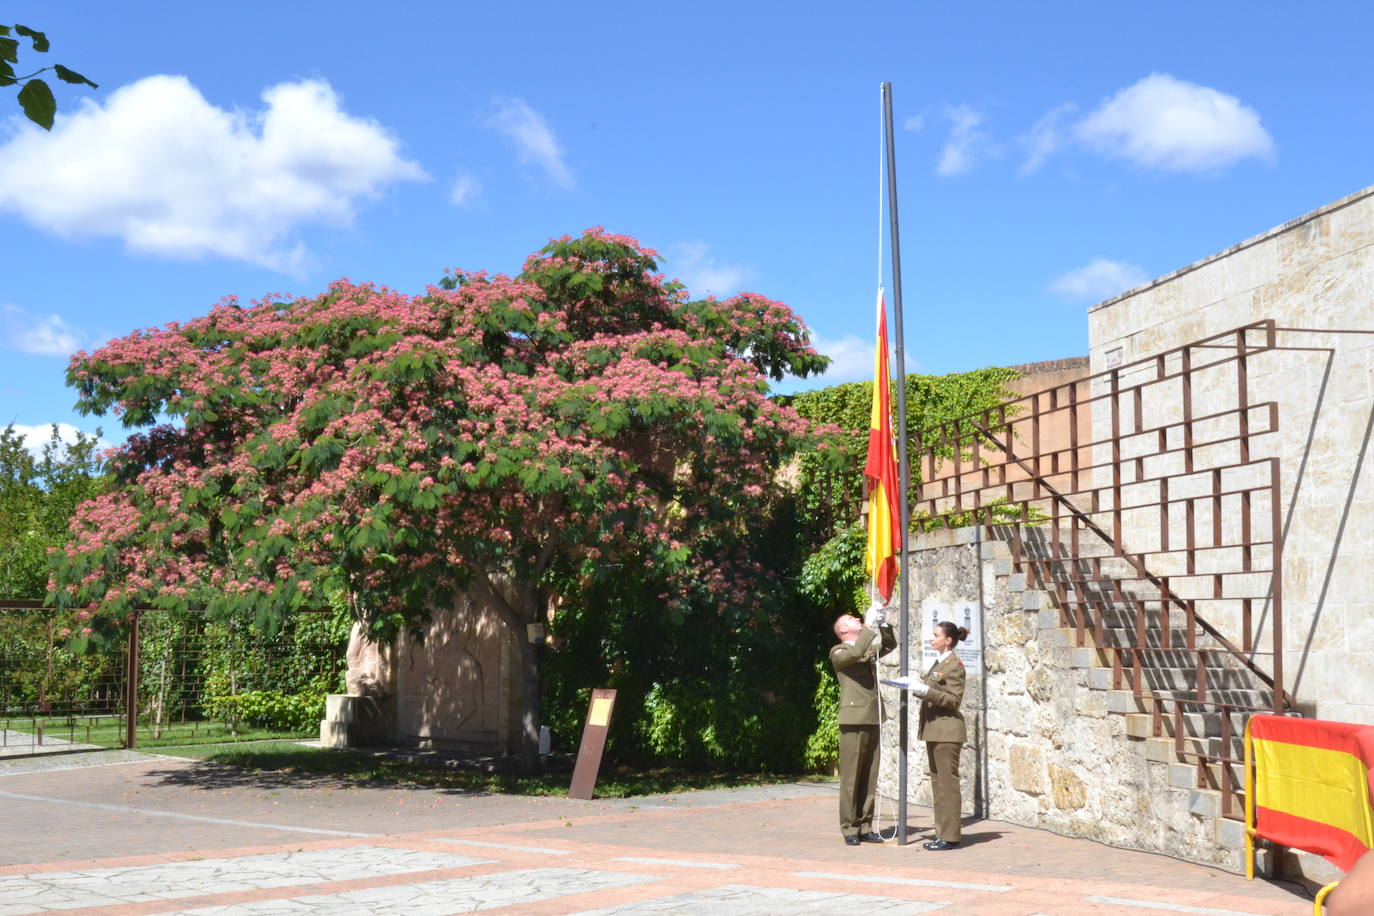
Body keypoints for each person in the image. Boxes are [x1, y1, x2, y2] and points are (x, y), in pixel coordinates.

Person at [830, 606, 896, 845]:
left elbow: (888, 647)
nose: (856, 618)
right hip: (853, 719)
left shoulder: (864, 647)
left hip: (872, 716)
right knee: (851, 777)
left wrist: (884, 625)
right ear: (843, 629)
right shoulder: (838, 651)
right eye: (851, 619)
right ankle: (849, 827)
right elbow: (857, 652)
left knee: (869, 774)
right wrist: (868, 626)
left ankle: (865, 824)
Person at [907, 620, 967, 850]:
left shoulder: (955, 665)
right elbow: (934, 691)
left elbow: (953, 699)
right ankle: (942, 832)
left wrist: (927, 691)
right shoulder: (940, 662)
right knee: (938, 784)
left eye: (936, 635)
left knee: (947, 785)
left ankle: (950, 836)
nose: (932, 639)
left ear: (948, 640)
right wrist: (918, 689)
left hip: (947, 730)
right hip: (935, 729)